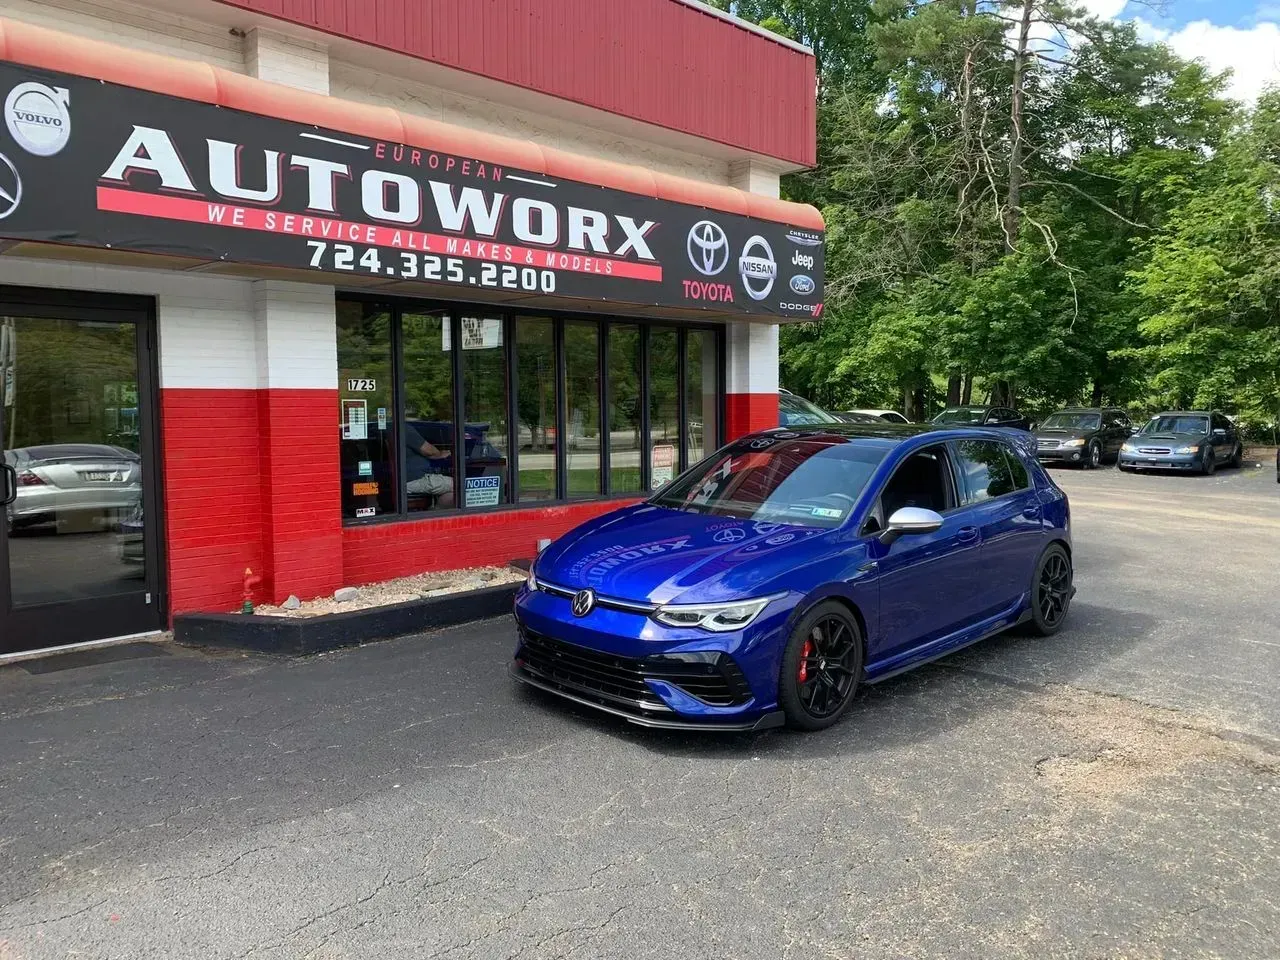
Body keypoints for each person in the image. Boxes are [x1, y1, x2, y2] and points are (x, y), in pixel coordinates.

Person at [404, 420, 454, 507]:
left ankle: (437, 511)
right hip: (415, 480)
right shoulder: (404, 429)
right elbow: (429, 451)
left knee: (450, 491)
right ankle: (435, 514)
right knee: (460, 484)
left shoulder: (391, 428)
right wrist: (441, 453)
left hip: (408, 480)